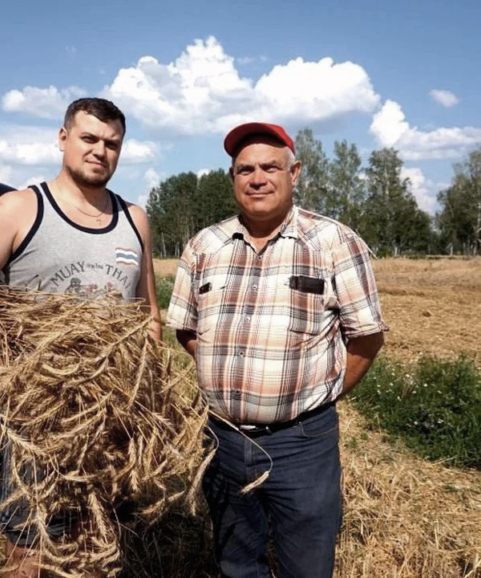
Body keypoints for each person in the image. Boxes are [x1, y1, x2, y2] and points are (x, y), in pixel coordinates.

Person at [0, 97, 161, 578]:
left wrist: (147, 397)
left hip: (110, 422)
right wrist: (12, 384)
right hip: (41, 426)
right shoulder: (19, 209)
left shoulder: (135, 220)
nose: (100, 151)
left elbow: (148, 316)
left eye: (112, 144)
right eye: (89, 138)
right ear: (63, 138)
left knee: (97, 544)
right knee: (30, 551)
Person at [165, 122, 387, 578]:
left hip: (302, 444)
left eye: (270, 167)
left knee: (305, 565)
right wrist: (231, 377)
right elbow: (186, 330)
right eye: (245, 169)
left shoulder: (333, 243)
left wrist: (318, 396)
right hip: (223, 439)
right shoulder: (204, 246)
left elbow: (366, 337)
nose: (257, 178)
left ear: (295, 172)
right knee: (237, 563)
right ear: (233, 178)